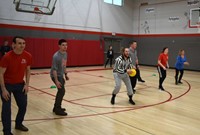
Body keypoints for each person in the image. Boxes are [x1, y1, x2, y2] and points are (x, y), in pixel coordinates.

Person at [0, 36, 32, 135]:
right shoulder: (7, 57)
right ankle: (7, 131)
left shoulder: (28, 56)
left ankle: (18, 124)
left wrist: (27, 84)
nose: (22, 45)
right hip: (7, 85)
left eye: (24, 43)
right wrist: (3, 89)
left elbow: (28, 70)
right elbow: (0, 73)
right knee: (6, 108)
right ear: (13, 45)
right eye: (19, 43)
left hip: (19, 84)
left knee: (23, 106)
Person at [50, 39, 69, 116]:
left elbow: (64, 64)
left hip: (61, 75)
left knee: (61, 91)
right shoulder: (56, 56)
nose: (65, 47)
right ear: (59, 46)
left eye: (66, 45)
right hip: (55, 76)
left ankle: (56, 107)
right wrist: (56, 81)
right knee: (62, 91)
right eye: (63, 45)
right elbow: (54, 70)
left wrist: (65, 74)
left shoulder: (65, 54)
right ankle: (57, 109)